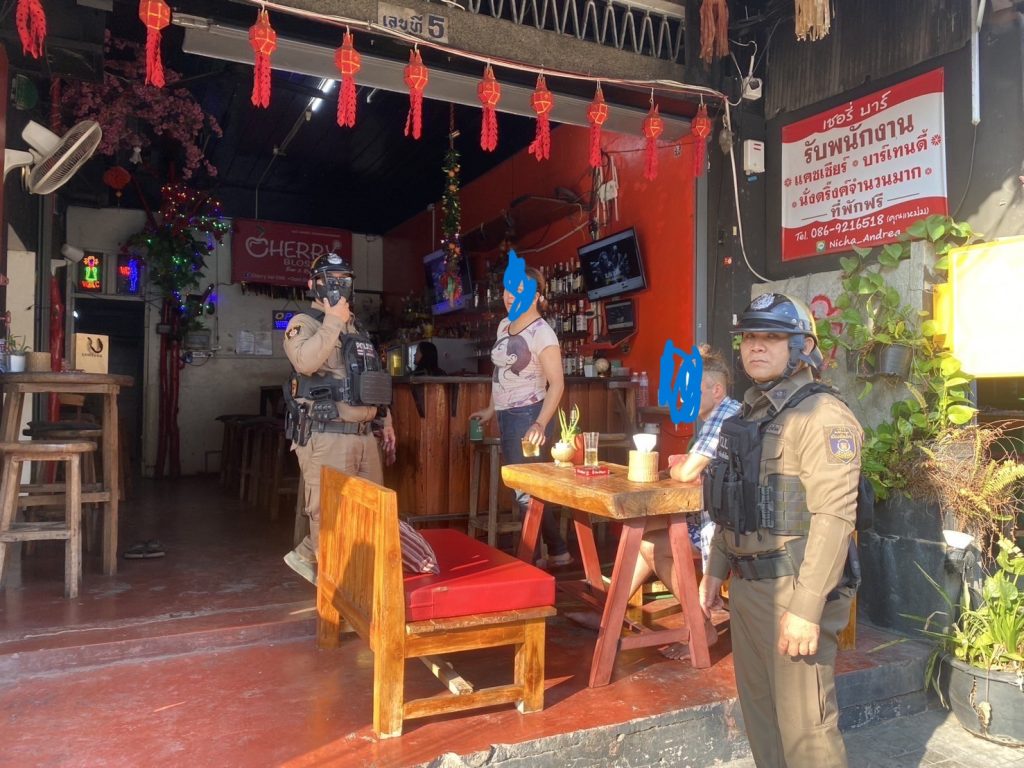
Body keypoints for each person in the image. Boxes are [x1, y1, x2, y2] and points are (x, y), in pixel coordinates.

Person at [700, 293, 862, 767]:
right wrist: (715, 569)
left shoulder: (823, 416)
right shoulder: (750, 414)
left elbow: (834, 518)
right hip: (748, 586)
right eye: (750, 337)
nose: (755, 346)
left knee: (806, 732)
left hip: (795, 587)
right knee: (762, 720)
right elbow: (735, 499)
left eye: (771, 337)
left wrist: (806, 609)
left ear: (802, 345)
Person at [281, 251, 397, 585]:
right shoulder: (303, 324)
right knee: (331, 519)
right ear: (312, 285)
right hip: (326, 433)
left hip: (364, 435)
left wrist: (386, 421)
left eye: (343, 280)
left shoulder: (356, 329)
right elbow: (305, 362)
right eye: (329, 280)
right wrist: (332, 320)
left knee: (370, 516)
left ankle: (345, 580)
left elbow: (371, 379)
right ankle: (334, 596)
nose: (337, 287)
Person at [621, 345, 741, 659]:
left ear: (716, 391)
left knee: (650, 544)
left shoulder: (724, 418)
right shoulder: (727, 413)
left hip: (725, 531)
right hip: (725, 518)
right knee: (646, 531)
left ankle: (702, 628)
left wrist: (677, 467)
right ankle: (611, 609)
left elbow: (687, 472)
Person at [469, 265, 571, 568]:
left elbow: (557, 384)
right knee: (527, 488)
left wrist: (539, 423)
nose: (510, 295)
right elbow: (500, 372)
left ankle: (530, 560)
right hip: (507, 415)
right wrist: (491, 408)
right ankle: (558, 551)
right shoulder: (504, 325)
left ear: (536, 296)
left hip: (529, 414)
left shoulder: (543, 333)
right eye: (508, 288)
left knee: (525, 491)